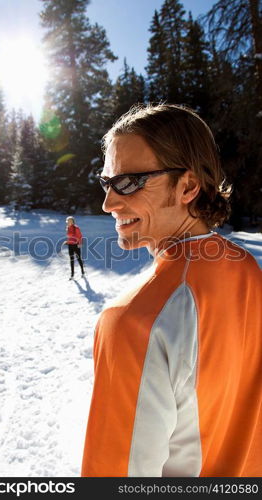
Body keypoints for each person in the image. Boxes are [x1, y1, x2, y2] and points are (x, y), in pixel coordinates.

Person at [81, 104, 262, 477]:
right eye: (106, 181)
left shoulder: (133, 321)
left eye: (128, 182)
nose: (108, 203)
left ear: (188, 186)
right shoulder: (246, 269)